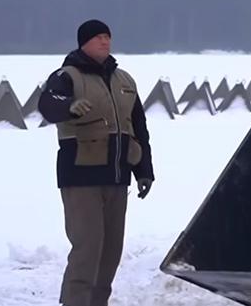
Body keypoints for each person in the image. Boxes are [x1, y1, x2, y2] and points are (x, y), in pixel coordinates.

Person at [38, 19, 155, 306]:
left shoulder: (124, 80)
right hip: (81, 178)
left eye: (108, 37)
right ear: (84, 43)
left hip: (117, 177)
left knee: (111, 252)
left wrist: (145, 170)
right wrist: (69, 107)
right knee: (87, 249)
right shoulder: (66, 76)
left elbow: (138, 127)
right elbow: (47, 106)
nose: (105, 41)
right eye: (98, 37)